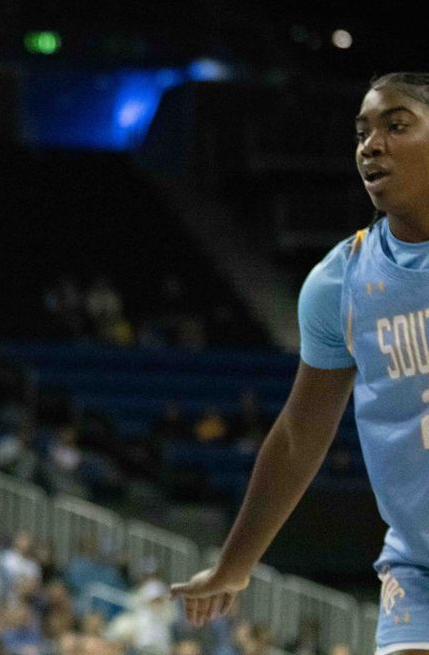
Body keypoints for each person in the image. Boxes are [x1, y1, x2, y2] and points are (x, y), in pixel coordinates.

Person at [171, 73, 429, 655]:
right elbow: (296, 436)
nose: (372, 144)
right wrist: (235, 565)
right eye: (362, 132)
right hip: (419, 567)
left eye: (397, 125)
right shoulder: (340, 280)